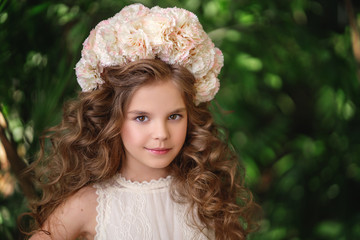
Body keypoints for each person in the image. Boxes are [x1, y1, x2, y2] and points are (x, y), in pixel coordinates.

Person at [25, 3, 259, 240]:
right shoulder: (88, 205)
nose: (161, 133)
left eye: (174, 116)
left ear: (191, 117)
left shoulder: (206, 196)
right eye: (141, 118)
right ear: (112, 118)